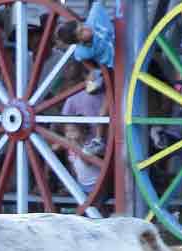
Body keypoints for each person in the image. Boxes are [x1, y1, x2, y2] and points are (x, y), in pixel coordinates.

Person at [56, 1, 114, 157]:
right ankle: (99, 140)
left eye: (82, 25)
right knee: (103, 111)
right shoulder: (82, 53)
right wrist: (95, 74)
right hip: (114, 72)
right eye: (81, 32)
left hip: (128, 51)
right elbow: (90, 66)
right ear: (79, 40)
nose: (86, 29)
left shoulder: (94, 18)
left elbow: (98, 3)